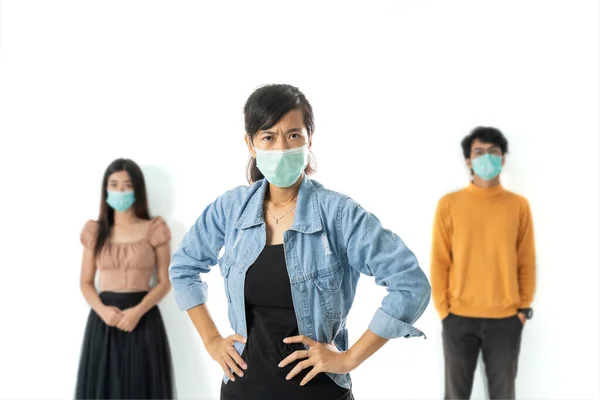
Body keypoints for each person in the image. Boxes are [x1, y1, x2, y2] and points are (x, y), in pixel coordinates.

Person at [169, 84, 431, 400]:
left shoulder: (340, 214)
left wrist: (349, 359)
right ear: (251, 144)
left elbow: (411, 285)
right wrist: (212, 340)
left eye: (293, 135)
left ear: (309, 139)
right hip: (242, 389)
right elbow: (183, 268)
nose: (282, 148)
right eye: (269, 136)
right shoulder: (230, 209)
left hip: (318, 393)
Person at [431, 127, 536, 400]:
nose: (486, 157)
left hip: (506, 319)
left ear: (503, 157)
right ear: (468, 159)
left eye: (493, 152)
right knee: (456, 395)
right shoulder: (449, 204)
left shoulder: (518, 206)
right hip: (458, 318)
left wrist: (523, 307)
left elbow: (526, 260)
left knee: (503, 395)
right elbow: (440, 261)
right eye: (479, 152)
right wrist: (444, 310)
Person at [75, 158, 175, 399]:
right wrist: (103, 311)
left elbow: (164, 281)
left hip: (143, 317)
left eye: (127, 185)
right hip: (104, 319)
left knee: (142, 387)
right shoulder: (95, 231)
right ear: (105, 189)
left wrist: (138, 312)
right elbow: (86, 282)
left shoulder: (154, 228)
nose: (120, 191)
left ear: (137, 189)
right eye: (114, 185)